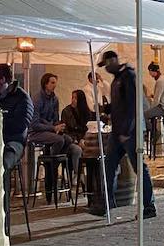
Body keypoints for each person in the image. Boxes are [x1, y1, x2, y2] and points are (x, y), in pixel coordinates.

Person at [88, 51, 156, 219]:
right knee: (109, 167)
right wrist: (106, 109)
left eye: (106, 65)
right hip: (118, 132)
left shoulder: (128, 76)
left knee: (140, 168)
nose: (106, 69)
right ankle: (106, 204)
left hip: (130, 132)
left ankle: (149, 206)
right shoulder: (117, 79)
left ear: (113, 61)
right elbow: (120, 104)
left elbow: (134, 105)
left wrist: (127, 130)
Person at [0, 63, 33, 236]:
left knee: (2, 166)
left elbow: (21, 124)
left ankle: (3, 224)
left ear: (3, 79)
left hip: (14, 144)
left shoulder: (22, 98)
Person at [30, 73, 82, 198]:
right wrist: (53, 127)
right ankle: (52, 166)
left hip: (50, 131)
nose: (55, 85)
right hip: (36, 132)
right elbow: (35, 123)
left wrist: (59, 126)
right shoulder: (37, 99)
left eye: (55, 82)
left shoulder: (55, 99)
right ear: (45, 84)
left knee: (67, 139)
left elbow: (55, 118)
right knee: (59, 140)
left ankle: (55, 162)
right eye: (52, 82)